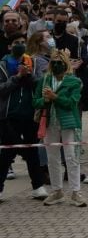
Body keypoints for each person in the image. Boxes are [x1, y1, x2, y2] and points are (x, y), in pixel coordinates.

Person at [0, 34, 48, 200]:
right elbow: (2, 89)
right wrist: (17, 77)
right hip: (8, 115)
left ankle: (38, 186)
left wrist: (28, 75)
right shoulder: (3, 65)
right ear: (9, 46)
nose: (19, 45)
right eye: (16, 43)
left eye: (22, 43)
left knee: (32, 149)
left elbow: (40, 85)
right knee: (7, 152)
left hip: (30, 114)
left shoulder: (33, 64)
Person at [36, 51, 84, 207]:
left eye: (60, 62)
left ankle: (76, 192)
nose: (57, 65)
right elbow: (35, 101)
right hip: (50, 122)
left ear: (66, 64)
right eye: (54, 62)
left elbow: (72, 103)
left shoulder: (74, 82)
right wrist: (44, 99)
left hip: (69, 123)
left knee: (71, 157)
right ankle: (57, 191)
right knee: (52, 158)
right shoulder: (44, 80)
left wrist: (55, 97)